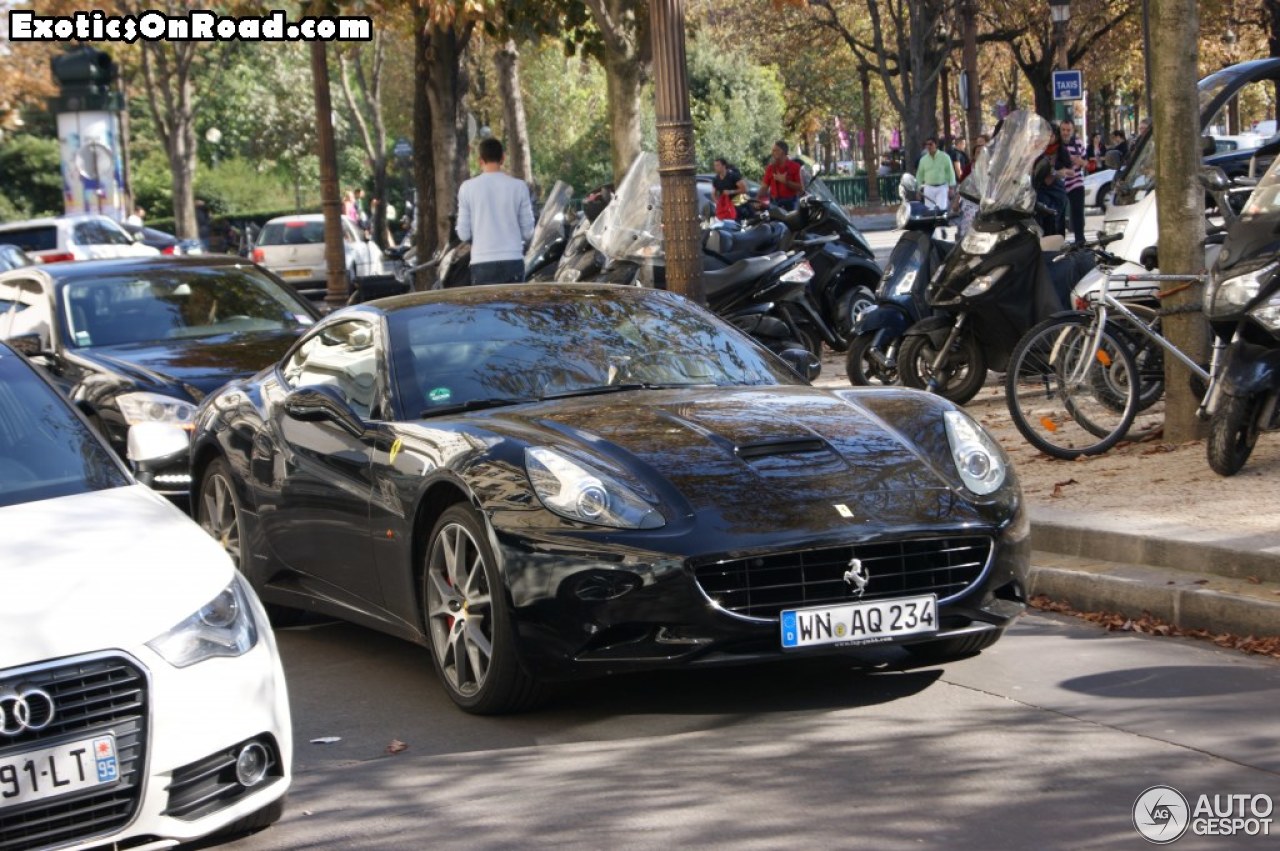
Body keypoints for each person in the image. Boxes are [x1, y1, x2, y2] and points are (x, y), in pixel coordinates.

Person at [455, 137, 535, 285]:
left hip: (481, 261)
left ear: (480, 160)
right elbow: (528, 232)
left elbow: (463, 234)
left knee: (485, 308)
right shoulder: (519, 187)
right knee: (512, 307)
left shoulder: (467, 188)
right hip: (513, 259)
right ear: (503, 158)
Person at [1055, 119, 1087, 245]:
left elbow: (1087, 163)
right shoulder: (1055, 144)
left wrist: (1080, 162)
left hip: (1076, 182)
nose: (1065, 133)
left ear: (1073, 131)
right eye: (1063, 130)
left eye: (1068, 130)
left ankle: (1080, 240)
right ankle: (1060, 240)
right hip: (1060, 183)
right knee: (1059, 213)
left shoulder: (1078, 143)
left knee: (1078, 212)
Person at [916, 136, 955, 210]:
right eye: (927, 145)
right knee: (929, 210)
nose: (928, 146)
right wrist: (918, 190)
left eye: (931, 144)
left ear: (936, 145)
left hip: (942, 187)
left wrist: (951, 187)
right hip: (928, 188)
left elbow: (950, 172)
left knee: (942, 209)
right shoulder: (923, 160)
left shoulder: (945, 157)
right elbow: (919, 175)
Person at [762, 141, 802, 211]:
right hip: (774, 203)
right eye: (772, 150)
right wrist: (756, 199)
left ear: (782, 152)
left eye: (775, 150)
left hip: (791, 203)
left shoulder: (796, 167)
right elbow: (764, 187)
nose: (772, 153)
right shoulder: (770, 168)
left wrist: (786, 182)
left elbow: (801, 187)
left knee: (790, 221)